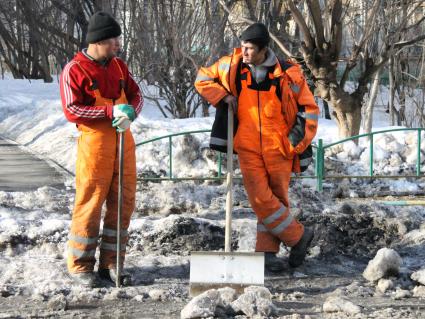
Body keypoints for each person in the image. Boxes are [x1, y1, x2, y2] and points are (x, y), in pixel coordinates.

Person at [195, 23, 319, 272]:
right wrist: (223, 96)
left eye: (250, 48)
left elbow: (309, 110)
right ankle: (298, 237)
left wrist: (294, 143)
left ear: (264, 49)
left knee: (277, 200)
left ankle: (267, 253)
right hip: (248, 146)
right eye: (243, 46)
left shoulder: (288, 74)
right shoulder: (232, 65)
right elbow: (202, 79)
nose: (245, 52)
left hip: (279, 148)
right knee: (260, 198)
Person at [59, 11, 143, 287]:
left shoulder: (119, 66)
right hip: (95, 147)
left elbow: (136, 95)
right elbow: (72, 109)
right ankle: (81, 265)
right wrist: (110, 111)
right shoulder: (75, 69)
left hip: (123, 144)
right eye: (113, 40)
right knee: (91, 202)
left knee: (123, 203)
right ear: (97, 41)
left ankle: (112, 263)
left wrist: (130, 113)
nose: (118, 44)